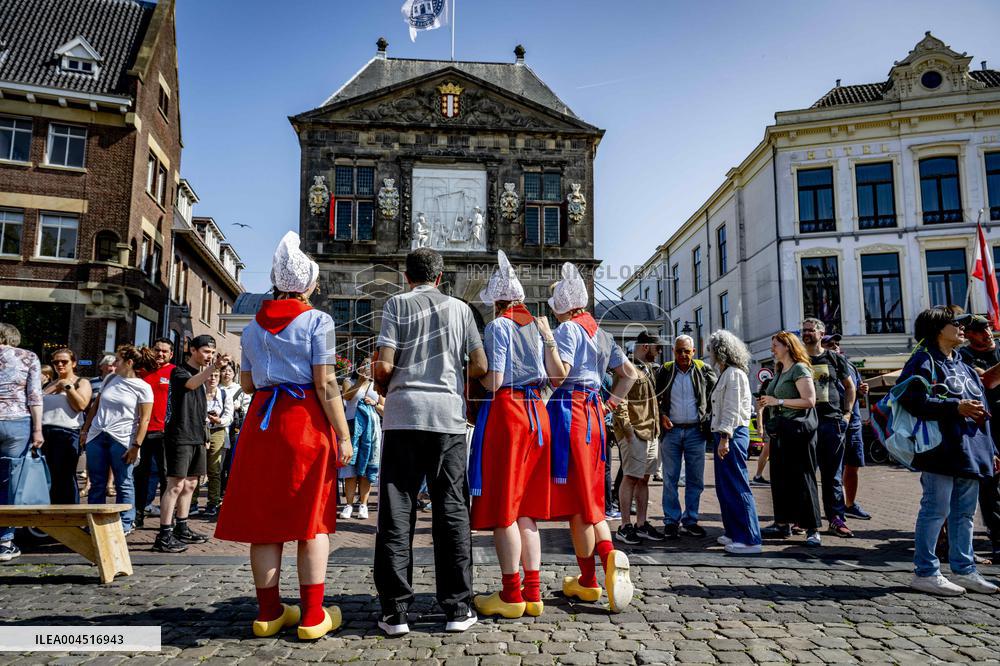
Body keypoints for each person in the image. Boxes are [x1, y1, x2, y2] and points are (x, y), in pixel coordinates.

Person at [215, 232, 352, 640]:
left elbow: (246, 384)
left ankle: (269, 613)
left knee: (265, 524)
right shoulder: (317, 321)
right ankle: (312, 615)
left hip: (262, 423)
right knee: (312, 522)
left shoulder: (252, 327)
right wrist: (343, 434)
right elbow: (325, 383)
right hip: (304, 421)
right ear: (307, 284)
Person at [372, 247, 487, 635]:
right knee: (452, 509)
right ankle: (457, 607)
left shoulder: (396, 305)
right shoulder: (461, 310)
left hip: (404, 415)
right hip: (447, 418)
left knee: (397, 510)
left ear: (407, 277)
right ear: (440, 277)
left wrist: (383, 382)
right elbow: (481, 365)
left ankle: (395, 611)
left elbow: (384, 364)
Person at [545, 262, 638, 614]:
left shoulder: (567, 330)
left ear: (563, 306)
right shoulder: (600, 332)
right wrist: (610, 403)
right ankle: (596, 570)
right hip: (595, 414)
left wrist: (548, 342)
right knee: (591, 501)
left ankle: (596, 571)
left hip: (572, 413)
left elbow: (559, 376)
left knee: (579, 507)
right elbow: (629, 374)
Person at [468, 251, 552, 620]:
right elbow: (551, 375)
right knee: (527, 510)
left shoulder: (498, 326)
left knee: (505, 508)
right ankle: (533, 592)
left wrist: (472, 375)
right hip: (537, 411)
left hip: (510, 413)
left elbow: (495, 379)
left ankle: (511, 593)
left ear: (498, 302)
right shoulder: (536, 326)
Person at [901, 306, 1000, 596]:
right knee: (936, 510)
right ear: (936, 329)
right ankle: (926, 572)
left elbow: (983, 409)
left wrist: (991, 449)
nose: (962, 328)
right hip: (940, 450)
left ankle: (965, 569)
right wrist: (954, 407)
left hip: (971, 449)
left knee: (964, 513)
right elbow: (911, 400)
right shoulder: (923, 360)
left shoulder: (963, 364)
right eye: (955, 323)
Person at [155, 335, 228, 553]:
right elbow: (190, 383)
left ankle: (182, 527)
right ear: (192, 350)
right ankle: (164, 535)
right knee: (175, 484)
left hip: (197, 435)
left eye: (212, 353)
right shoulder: (179, 371)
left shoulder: (201, 374)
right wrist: (214, 367)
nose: (209, 356)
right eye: (206, 351)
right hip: (180, 435)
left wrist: (205, 436)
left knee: (190, 485)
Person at [79, 345, 156, 534]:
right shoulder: (110, 379)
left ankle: (126, 522)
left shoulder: (143, 387)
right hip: (97, 435)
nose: (114, 363)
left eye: (118, 360)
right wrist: (85, 430)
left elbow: (145, 420)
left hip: (122, 439)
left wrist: (136, 445)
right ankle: (95, 521)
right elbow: (96, 406)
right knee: (97, 482)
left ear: (129, 363)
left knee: (124, 482)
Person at [758, 331, 822, 546]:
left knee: (803, 477)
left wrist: (778, 401)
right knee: (780, 478)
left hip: (798, 431)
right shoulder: (779, 370)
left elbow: (809, 400)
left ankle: (812, 528)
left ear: (787, 346)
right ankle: (782, 523)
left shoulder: (799, 369)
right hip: (781, 431)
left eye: (775, 345)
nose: (772, 349)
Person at [655, 335, 717, 538]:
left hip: (695, 432)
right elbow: (655, 397)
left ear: (694, 352)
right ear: (674, 351)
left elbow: (716, 395)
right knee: (670, 478)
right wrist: (662, 415)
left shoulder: (703, 370)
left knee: (695, 479)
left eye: (687, 351)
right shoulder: (665, 371)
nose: (683, 355)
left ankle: (690, 520)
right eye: (679, 351)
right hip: (671, 431)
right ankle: (671, 521)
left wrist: (708, 418)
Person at [707, 330, 762, 555]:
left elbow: (732, 409)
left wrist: (725, 438)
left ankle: (749, 538)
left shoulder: (733, 374)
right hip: (726, 434)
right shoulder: (728, 373)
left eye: (711, 349)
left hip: (731, 435)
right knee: (725, 486)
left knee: (737, 485)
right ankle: (733, 531)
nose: (710, 353)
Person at [799, 319, 855, 538]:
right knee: (805, 473)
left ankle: (836, 519)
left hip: (831, 422)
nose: (806, 333)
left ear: (821, 334)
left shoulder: (834, 358)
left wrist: (847, 414)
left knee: (832, 475)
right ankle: (805, 519)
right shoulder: (797, 358)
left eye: (811, 330)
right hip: (805, 423)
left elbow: (849, 387)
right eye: (804, 330)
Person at [613, 331, 665, 545]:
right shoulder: (627, 368)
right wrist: (628, 432)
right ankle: (625, 526)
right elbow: (619, 402)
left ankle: (641, 524)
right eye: (657, 348)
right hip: (635, 433)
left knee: (644, 478)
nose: (659, 351)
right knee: (630, 477)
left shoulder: (648, 369)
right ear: (645, 347)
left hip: (650, 432)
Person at [957, 314, 1000, 561]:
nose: (987, 333)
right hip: (988, 426)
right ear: (969, 334)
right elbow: (986, 380)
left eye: (988, 328)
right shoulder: (964, 356)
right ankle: (999, 540)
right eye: (980, 330)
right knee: (991, 484)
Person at [0, 323, 43, 562]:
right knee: (10, 481)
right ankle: (5, 541)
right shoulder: (28, 357)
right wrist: (38, 430)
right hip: (16, 422)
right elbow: (34, 396)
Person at [821, 334, 871, 521]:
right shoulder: (821, 366)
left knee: (853, 464)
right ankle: (835, 508)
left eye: (836, 343)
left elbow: (854, 390)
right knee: (834, 469)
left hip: (854, 422)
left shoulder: (849, 365)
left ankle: (850, 504)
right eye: (830, 344)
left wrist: (861, 390)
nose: (835, 346)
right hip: (834, 421)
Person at [41, 348, 92, 504]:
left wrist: (68, 387)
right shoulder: (48, 385)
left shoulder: (81, 382)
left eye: (64, 361)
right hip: (44, 432)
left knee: (65, 476)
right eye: (56, 362)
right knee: (46, 475)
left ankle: (70, 512)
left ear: (73, 363)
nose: (60, 365)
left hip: (66, 432)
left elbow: (81, 405)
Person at [134, 338, 175, 529]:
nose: (160, 354)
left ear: (171, 354)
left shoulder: (174, 372)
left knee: (166, 475)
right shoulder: (141, 372)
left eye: (165, 351)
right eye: (157, 350)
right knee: (141, 474)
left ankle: (167, 519)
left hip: (165, 433)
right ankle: (138, 513)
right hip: (142, 431)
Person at [339, 357, 383, 520]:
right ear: (358, 367)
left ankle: (363, 504)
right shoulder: (348, 381)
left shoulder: (377, 385)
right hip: (352, 428)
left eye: (371, 364)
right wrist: (361, 381)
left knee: (367, 469)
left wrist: (374, 404)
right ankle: (349, 505)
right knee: (350, 468)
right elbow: (347, 397)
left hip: (371, 431)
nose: (368, 366)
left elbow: (384, 408)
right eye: (365, 364)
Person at [204, 368, 233, 517]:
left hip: (218, 430)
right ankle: (192, 503)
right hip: (201, 430)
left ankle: (213, 502)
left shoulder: (224, 394)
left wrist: (219, 420)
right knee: (196, 469)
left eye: (216, 375)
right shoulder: (199, 391)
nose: (213, 378)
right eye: (210, 375)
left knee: (214, 469)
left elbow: (229, 416)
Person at [220, 360, 249, 495]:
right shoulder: (216, 388)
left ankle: (229, 487)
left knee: (232, 457)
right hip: (219, 427)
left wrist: (239, 408)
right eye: (224, 370)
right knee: (219, 460)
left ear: (234, 374)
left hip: (235, 427)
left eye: (229, 371)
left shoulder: (240, 389)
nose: (226, 373)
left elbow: (247, 408)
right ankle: (220, 489)